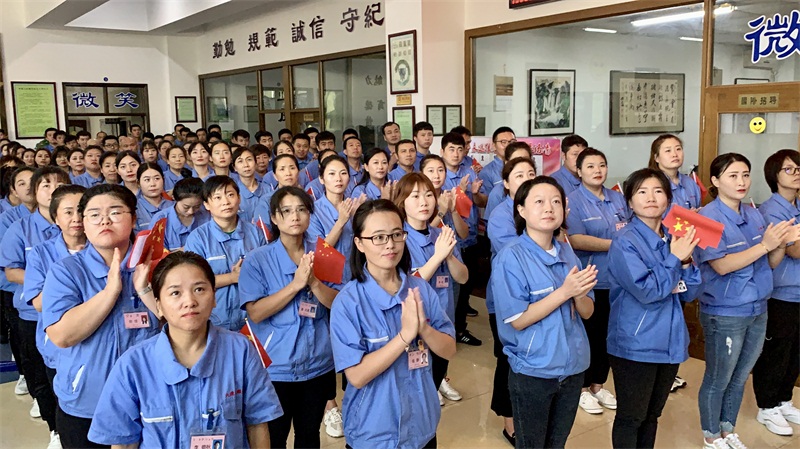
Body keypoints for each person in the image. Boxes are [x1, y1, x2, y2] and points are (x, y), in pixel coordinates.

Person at [88, 251, 283, 448]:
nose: (189, 301)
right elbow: (124, 443)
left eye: (199, 289)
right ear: (159, 305)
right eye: (175, 293)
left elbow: (257, 424)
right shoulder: (133, 364)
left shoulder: (240, 351)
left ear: (214, 298)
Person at [330, 199, 456, 449]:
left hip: (422, 426)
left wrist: (424, 329)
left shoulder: (420, 289)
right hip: (373, 433)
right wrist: (404, 336)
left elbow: (449, 349)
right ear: (359, 243)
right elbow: (356, 376)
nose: (390, 244)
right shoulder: (348, 302)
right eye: (379, 237)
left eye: (397, 234)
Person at [42, 184, 159, 448]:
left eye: (115, 212)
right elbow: (62, 336)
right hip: (88, 403)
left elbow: (182, 325)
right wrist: (110, 291)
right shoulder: (66, 271)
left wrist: (145, 289)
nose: (104, 220)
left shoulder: (158, 266)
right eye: (94, 215)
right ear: (84, 223)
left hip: (150, 399)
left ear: (133, 218)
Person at [695, 153, 796, 449]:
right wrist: (765, 244)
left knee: (740, 377)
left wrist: (780, 243)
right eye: (733, 175)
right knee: (719, 377)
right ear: (716, 181)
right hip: (725, 311)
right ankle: (711, 435)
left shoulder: (753, 214)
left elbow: (770, 263)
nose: (741, 182)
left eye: (745, 175)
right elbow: (721, 265)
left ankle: (728, 430)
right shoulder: (706, 217)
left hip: (758, 307)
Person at [491, 176, 596, 449]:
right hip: (534, 370)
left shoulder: (567, 253)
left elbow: (587, 312)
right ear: (521, 210)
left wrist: (579, 295)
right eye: (539, 201)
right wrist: (565, 292)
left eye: (556, 202)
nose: (549, 208)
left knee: (557, 443)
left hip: (572, 367)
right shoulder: (510, 257)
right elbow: (518, 320)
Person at [607, 168, 702, 449]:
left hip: (669, 340)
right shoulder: (625, 242)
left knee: (652, 416)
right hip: (636, 343)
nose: (651, 198)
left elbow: (691, 291)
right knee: (631, 416)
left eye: (658, 191)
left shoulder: (674, 238)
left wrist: (685, 261)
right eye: (642, 192)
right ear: (630, 201)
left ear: (668, 199)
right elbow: (648, 291)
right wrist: (674, 260)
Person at [239, 186, 341, 449]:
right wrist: (295, 286)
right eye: (286, 211)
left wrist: (314, 283)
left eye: (301, 209)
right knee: (275, 438)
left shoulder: (324, 253)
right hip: (276, 369)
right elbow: (255, 312)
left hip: (318, 364)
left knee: (309, 436)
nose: (295, 216)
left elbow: (339, 304)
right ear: (274, 217)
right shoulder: (257, 259)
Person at [0, 166, 70, 442]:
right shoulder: (21, 228)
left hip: (74, 312)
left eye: (59, 184)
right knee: (40, 374)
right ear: (35, 191)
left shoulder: (78, 225)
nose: (53, 190)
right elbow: (11, 271)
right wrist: (55, 284)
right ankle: (55, 429)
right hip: (33, 313)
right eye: (46, 185)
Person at [392, 173, 469, 406]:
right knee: (412, 394)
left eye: (428, 195)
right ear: (402, 202)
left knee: (435, 376)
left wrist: (449, 256)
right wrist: (438, 256)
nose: (424, 202)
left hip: (442, 321)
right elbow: (405, 286)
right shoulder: (397, 239)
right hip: (412, 328)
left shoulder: (441, 234)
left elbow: (463, 277)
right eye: (415, 196)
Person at [23, 184, 87, 449]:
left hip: (98, 344)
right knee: (67, 403)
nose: (76, 218)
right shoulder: (42, 253)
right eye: (68, 212)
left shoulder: (103, 248)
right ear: (56, 218)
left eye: (82, 211)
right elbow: (38, 302)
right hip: (59, 346)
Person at [564, 148, 628, 414]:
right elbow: (576, 239)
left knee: (609, 337)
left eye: (602, 165)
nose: (597, 170)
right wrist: (616, 244)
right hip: (591, 281)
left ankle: (598, 384)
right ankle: (580, 387)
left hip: (619, 280)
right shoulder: (573, 200)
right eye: (590, 166)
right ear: (579, 171)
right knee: (589, 335)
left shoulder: (618, 198)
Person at [486, 157, 538, 445]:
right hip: (507, 299)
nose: (527, 178)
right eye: (519, 175)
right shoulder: (500, 215)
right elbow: (518, 256)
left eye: (531, 173)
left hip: (540, 299)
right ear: (506, 183)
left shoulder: (540, 209)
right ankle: (509, 421)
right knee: (508, 359)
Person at [752, 149, 800, 436]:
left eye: (799, 169)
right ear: (774, 175)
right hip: (781, 294)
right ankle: (767, 406)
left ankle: (784, 400)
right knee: (776, 352)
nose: (796, 174)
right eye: (789, 169)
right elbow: (794, 250)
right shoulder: (772, 210)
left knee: (795, 352)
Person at [649, 134, 702, 393]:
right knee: (662, 311)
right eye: (668, 150)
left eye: (678, 148)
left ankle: (671, 369)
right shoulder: (653, 184)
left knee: (678, 312)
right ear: (656, 157)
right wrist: (688, 220)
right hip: (664, 255)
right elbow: (657, 220)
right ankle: (659, 369)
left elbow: (697, 217)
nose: (675, 154)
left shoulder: (690, 183)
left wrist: (695, 219)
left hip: (687, 255)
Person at [184, 176, 267, 331]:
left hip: (253, 319)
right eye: (217, 197)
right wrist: (232, 277)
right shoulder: (198, 238)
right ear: (206, 204)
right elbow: (192, 281)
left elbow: (267, 273)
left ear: (239, 198)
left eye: (230, 195)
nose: (226, 202)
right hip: (214, 320)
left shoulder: (255, 233)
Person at [440, 132, 485, 346]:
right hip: (449, 245)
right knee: (449, 293)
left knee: (466, 288)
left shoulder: (469, 172)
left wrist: (473, 193)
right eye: (451, 149)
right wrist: (459, 193)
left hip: (470, 237)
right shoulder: (439, 177)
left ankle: (460, 329)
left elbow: (478, 203)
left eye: (460, 149)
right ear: (442, 151)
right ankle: (450, 332)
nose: (456, 154)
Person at [308, 155, 364, 287]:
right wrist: (341, 221)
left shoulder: (354, 205)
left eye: (343, 173)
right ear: (321, 179)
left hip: (357, 276)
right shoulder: (314, 211)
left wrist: (359, 219)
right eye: (332, 174)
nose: (338, 178)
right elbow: (320, 252)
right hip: (329, 282)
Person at [150, 178, 208, 252]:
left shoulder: (207, 216)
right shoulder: (160, 219)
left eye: (197, 206)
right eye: (186, 207)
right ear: (174, 198)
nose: (191, 211)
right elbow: (155, 254)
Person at [420, 154, 468, 238]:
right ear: (421, 174)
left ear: (446, 174)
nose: (436, 176)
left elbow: (464, 235)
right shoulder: (418, 200)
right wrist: (441, 212)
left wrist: (454, 211)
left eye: (440, 170)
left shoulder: (451, 196)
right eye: (431, 171)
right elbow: (424, 236)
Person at [254, 155, 301, 221]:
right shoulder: (267, 200)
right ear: (275, 175)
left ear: (298, 172)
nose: (288, 173)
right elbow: (263, 226)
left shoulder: (306, 197)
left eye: (292, 168)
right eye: (282, 169)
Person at [135, 163, 173, 232]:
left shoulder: (174, 207)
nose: (152, 184)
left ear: (163, 180)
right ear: (138, 183)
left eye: (157, 179)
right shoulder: (134, 209)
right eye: (147, 180)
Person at [233, 147, 267, 223]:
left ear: (255, 163)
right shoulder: (232, 191)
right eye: (240, 161)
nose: (246, 165)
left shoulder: (268, 189)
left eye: (249, 160)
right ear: (234, 167)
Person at [479, 127, 516, 191]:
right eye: (503, 142)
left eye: (512, 142)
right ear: (494, 146)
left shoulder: (522, 165)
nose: (508, 145)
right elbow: (486, 197)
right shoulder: (486, 172)